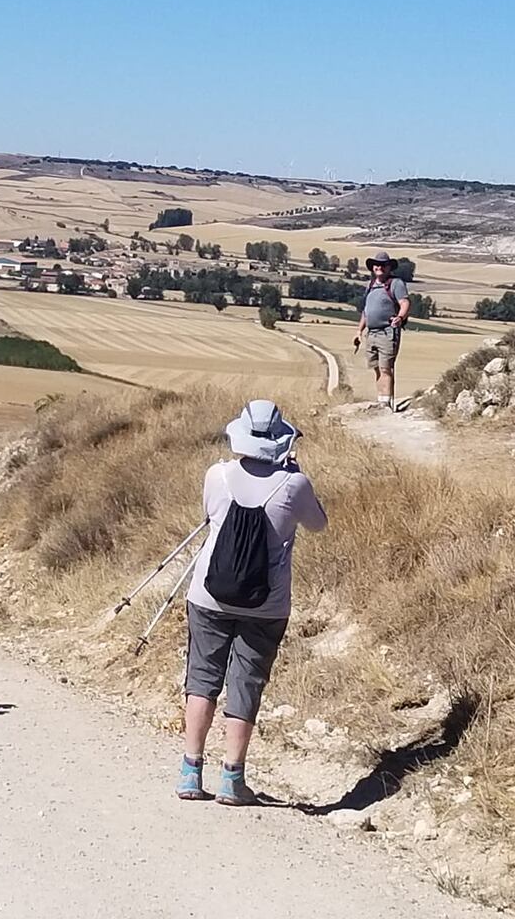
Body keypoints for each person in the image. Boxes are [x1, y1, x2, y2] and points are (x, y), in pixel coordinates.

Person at [178, 400, 327, 805]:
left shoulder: (217, 475)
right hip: (266, 603)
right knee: (245, 684)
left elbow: (209, 515)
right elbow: (318, 524)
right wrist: (294, 476)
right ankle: (232, 780)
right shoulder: (294, 485)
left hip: (209, 594)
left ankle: (190, 772)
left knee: (202, 679)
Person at [353, 250, 411, 409]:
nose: (379, 267)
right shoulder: (371, 285)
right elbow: (366, 311)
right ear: (373, 267)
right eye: (376, 265)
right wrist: (359, 331)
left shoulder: (396, 283)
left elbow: (405, 303)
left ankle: (385, 404)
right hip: (371, 333)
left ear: (389, 267)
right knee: (377, 368)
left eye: (383, 265)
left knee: (386, 367)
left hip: (387, 332)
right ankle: (381, 400)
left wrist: (400, 317)